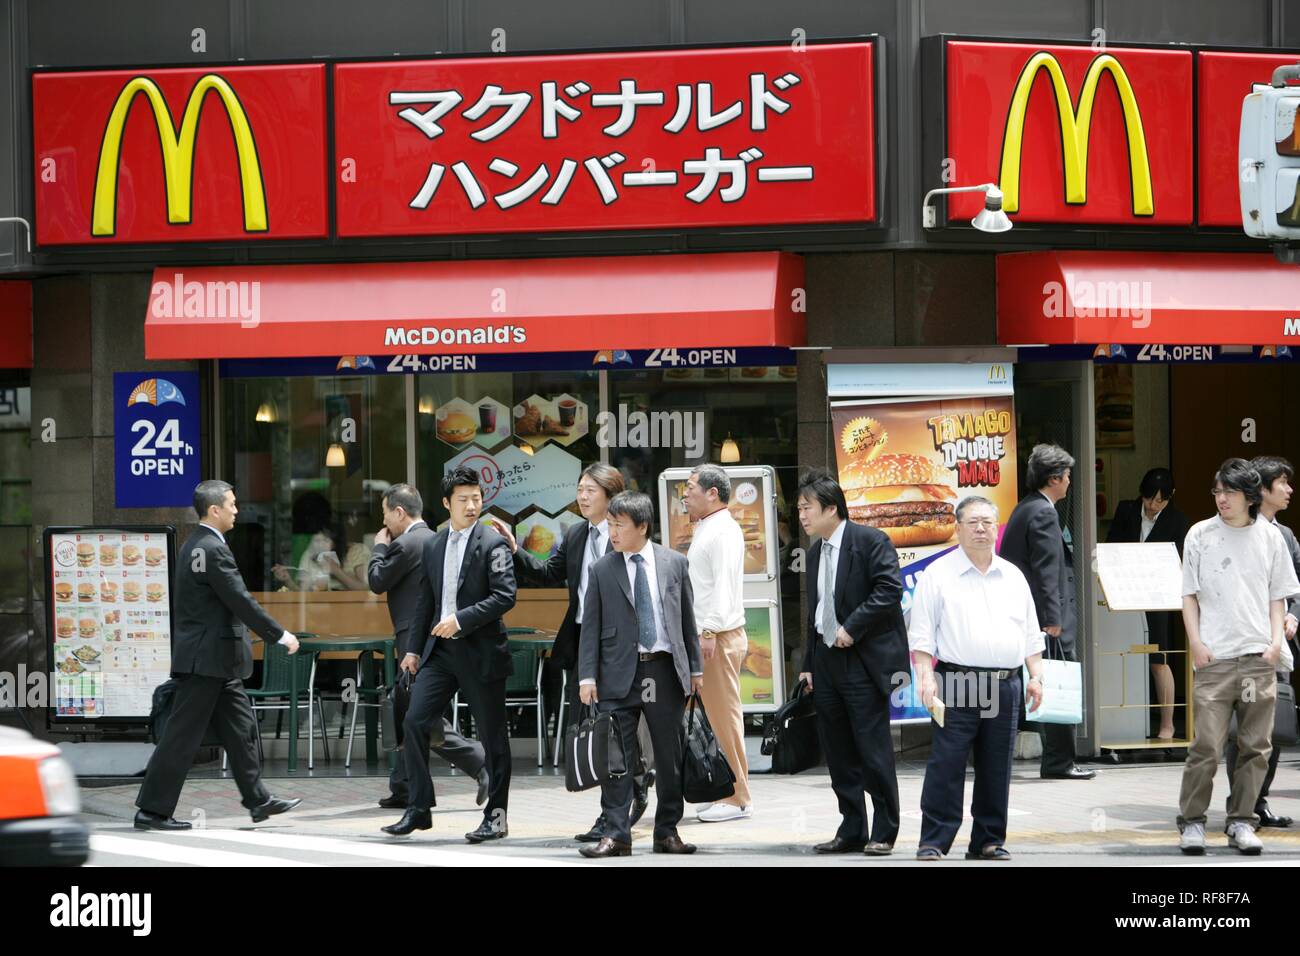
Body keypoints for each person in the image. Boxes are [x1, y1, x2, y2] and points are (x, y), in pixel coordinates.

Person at [489, 464, 657, 843]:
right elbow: (549, 572)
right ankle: (628, 789)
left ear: (610, 495)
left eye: (590, 490)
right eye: (579, 489)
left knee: (617, 723)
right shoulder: (576, 533)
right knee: (594, 729)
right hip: (583, 639)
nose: (582, 497)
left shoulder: (628, 534)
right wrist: (515, 549)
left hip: (619, 645)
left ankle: (618, 803)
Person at [135, 480, 302, 831]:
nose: (236, 510)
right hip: (207, 661)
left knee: (241, 729)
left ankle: (258, 800)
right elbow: (240, 599)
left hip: (215, 661)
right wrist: (279, 634)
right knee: (181, 738)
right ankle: (151, 811)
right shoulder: (213, 549)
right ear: (215, 510)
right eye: (231, 504)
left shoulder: (195, 545)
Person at [381, 467, 517, 843]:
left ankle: (497, 817)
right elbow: (425, 600)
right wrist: (412, 650)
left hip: (481, 652)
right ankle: (419, 809)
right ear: (446, 503)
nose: (472, 505)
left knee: (493, 740)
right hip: (439, 653)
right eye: (463, 500)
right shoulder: (434, 544)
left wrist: (460, 620)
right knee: (414, 722)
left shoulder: (492, 543)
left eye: (476, 498)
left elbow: (504, 596)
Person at [909, 496, 1046, 861]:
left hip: (1006, 683)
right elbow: (921, 634)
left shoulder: (1013, 576)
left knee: (997, 766)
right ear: (958, 527)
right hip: (956, 681)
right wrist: (925, 677)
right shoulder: (938, 574)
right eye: (973, 522)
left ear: (996, 527)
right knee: (947, 762)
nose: (981, 528)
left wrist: (1036, 676)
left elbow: (1031, 633)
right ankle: (934, 840)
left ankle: (988, 840)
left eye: (988, 521)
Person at [1178, 458, 1297, 855]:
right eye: (1216, 491)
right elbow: (1189, 595)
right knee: (1207, 745)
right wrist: (1196, 643)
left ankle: (1242, 821)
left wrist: (1275, 642)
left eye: (1227, 492)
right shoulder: (1200, 534)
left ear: (1249, 496)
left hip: (1256, 657)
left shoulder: (1270, 537)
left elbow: (1277, 595)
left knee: (1254, 746)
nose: (1220, 498)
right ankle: (1192, 822)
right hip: (1215, 658)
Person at [576, 491, 703, 858]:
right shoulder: (602, 568)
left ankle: (667, 831)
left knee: (668, 756)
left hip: (663, 670)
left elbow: (687, 620)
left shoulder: (674, 563)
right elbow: (591, 628)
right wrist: (588, 677)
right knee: (617, 758)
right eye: (611, 524)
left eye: (619, 525)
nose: (612, 532)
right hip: (617, 674)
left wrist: (694, 668)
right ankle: (617, 834)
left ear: (642, 526)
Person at [796, 469, 910, 856]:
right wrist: (809, 663)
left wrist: (852, 627)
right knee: (839, 751)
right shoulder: (814, 553)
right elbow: (817, 610)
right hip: (826, 661)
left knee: (872, 748)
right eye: (799, 509)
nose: (802, 516)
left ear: (832, 508)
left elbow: (889, 590)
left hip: (861, 659)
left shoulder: (870, 541)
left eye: (807, 507)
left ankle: (885, 830)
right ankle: (851, 828)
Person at [367, 483, 489, 810]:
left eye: (385, 514)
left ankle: (479, 761)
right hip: (431, 636)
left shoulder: (406, 544)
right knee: (409, 708)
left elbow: (376, 581)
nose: (384, 523)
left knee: (421, 714)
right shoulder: (437, 539)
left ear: (399, 512)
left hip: (415, 638)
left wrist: (378, 547)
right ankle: (403, 785)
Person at [1000, 443, 1094, 781]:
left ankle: (1058, 760)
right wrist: (1052, 620)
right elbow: (1045, 571)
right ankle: (1059, 762)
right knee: (1058, 684)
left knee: (1047, 684)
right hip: (1044, 620)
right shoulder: (1042, 512)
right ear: (1054, 478)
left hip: (1033, 617)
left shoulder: (1027, 508)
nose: (1070, 481)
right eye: (1067, 476)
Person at [1223, 456, 1300, 829]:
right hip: (1239, 645)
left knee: (1273, 729)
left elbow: (1296, 585)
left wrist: (1293, 614)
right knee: (1241, 731)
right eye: (1283, 482)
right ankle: (1241, 801)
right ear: (1263, 490)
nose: (1289, 490)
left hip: (1277, 648)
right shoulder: (1227, 532)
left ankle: (1259, 800)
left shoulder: (1284, 536)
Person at [683, 463, 753, 823]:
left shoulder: (722, 530)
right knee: (715, 716)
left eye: (691, 486)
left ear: (713, 493)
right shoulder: (709, 527)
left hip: (717, 636)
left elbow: (722, 589)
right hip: (712, 635)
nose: (685, 492)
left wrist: (709, 631)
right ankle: (726, 790)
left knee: (723, 718)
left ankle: (737, 796)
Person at [1106, 467, 1190, 740]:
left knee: (1158, 658)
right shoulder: (1126, 511)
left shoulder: (1178, 521)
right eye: (1149, 499)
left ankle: (1167, 724)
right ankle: (1116, 719)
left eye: (1160, 501)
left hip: (1157, 597)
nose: (1153, 506)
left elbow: (1177, 563)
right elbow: (1110, 548)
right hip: (1123, 593)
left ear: (1170, 497)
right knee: (1120, 654)